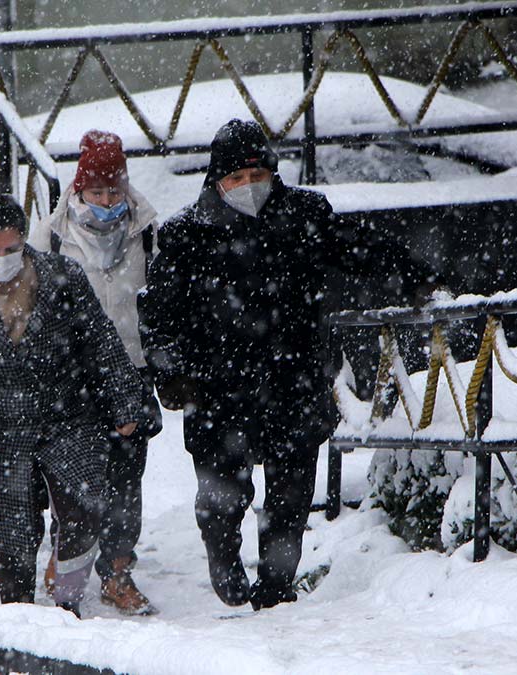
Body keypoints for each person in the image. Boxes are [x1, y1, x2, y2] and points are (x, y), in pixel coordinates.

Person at [139, 119, 433, 611]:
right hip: (217, 389)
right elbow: (158, 314)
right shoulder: (184, 234)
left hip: (293, 379)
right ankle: (224, 560)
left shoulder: (303, 214)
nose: (249, 186)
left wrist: (416, 277)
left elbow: (358, 247)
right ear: (216, 181)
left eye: (258, 173)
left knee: (290, 497)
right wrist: (172, 373)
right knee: (221, 500)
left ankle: (277, 589)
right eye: (237, 177)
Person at [0, 194, 148, 618]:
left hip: (67, 419)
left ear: (24, 241)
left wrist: (126, 403)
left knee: (84, 512)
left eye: (11, 249)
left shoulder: (63, 276)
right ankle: (17, 620)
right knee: (12, 533)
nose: (2, 258)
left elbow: (101, 342)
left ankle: (67, 605)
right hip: (2, 432)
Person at [31, 130, 162, 615]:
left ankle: (117, 571)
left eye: (113, 190)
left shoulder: (147, 230)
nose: (106, 201)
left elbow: (158, 301)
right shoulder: (50, 236)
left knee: (127, 478)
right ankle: (63, 557)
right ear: (78, 190)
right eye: (96, 191)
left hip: (130, 371)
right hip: (74, 381)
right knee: (72, 479)